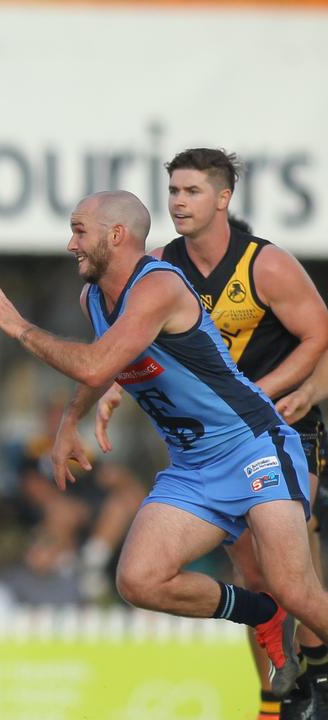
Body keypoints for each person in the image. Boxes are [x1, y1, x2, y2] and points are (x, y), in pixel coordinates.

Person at [0, 190, 328, 707]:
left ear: (116, 236)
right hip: (193, 465)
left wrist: (20, 328)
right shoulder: (94, 297)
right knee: (139, 580)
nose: (71, 243)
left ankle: (300, 667)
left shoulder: (157, 286)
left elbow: (95, 364)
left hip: (254, 446)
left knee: (294, 587)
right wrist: (70, 420)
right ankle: (260, 614)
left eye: (79, 231)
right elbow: (107, 364)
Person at [92, 149, 328, 719]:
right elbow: (128, 344)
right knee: (253, 578)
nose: (178, 202)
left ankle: (315, 673)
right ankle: (277, 697)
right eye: (173, 191)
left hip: (282, 425)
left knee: (288, 568)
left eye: (192, 191)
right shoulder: (155, 268)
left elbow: (318, 334)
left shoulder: (265, 266)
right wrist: (108, 385)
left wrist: (277, 392)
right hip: (216, 442)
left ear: (223, 199)